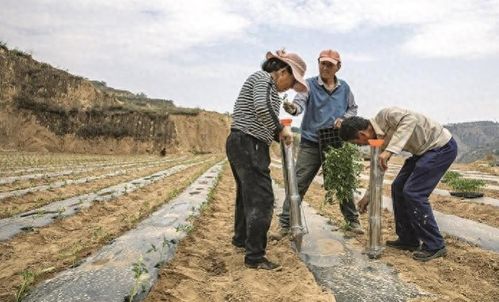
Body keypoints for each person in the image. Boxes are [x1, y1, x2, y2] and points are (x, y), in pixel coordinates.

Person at [339, 107, 458, 261]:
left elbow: (410, 120)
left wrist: (390, 151)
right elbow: (378, 169)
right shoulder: (378, 141)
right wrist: (368, 196)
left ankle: (435, 245)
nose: (360, 146)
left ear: (362, 134)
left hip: (441, 147)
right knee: (398, 188)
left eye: (357, 143)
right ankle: (408, 239)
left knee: (414, 192)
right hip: (422, 152)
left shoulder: (386, 115)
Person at [226, 49, 308, 270]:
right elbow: (262, 110)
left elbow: (262, 118)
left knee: (247, 196)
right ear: (282, 71)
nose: (290, 88)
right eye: (291, 82)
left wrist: (277, 134)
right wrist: (281, 129)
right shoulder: (263, 79)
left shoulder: (270, 90)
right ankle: (255, 257)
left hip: (245, 142)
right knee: (262, 199)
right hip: (247, 142)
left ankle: (242, 239)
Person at [279, 49, 362, 234]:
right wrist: (293, 108)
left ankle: (353, 221)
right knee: (298, 183)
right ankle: (285, 223)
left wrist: (345, 119)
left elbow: (353, 108)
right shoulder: (308, 85)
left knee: (343, 183)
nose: (325, 67)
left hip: (335, 143)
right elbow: (299, 103)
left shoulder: (345, 88)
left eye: (329, 64)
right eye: (322, 63)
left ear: (338, 67)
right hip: (311, 142)